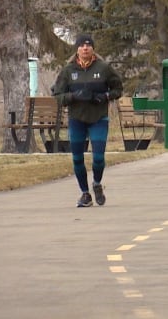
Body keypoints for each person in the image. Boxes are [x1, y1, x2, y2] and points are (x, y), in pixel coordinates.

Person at [53, 33, 123, 207]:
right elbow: (58, 95)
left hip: (98, 118)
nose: (85, 48)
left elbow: (118, 89)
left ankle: (97, 183)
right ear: (77, 49)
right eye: (82, 46)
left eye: (88, 45)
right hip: (77, 119)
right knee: (77, 158)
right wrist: (73, 96)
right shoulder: (68, 70)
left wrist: (105, 96)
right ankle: (85, 194)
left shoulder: (104, 68)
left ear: (93, 49)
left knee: (98, 157)